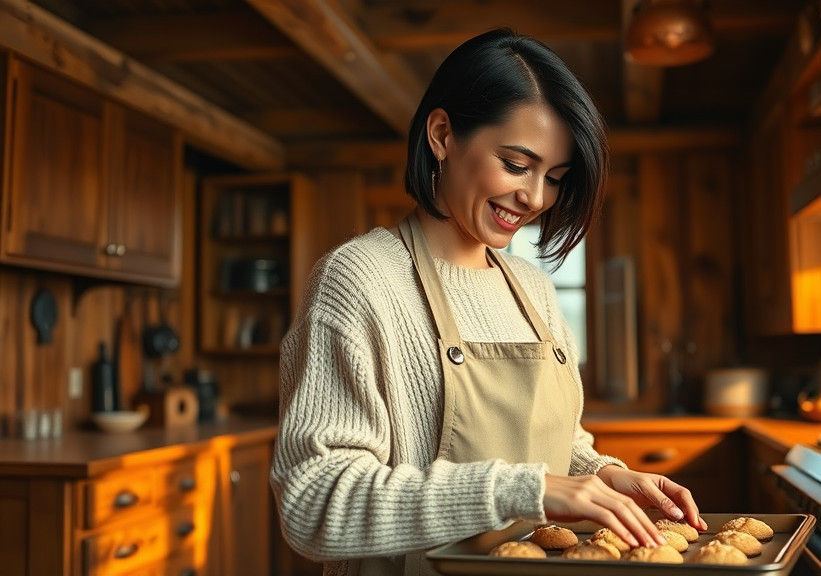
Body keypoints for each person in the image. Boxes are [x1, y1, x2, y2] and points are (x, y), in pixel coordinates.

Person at [270, 29, 706, 576]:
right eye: (517, 164)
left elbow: (556, 446)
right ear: (442, 134)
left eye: (555, 178)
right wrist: (518, 489)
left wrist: (603, 474)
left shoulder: (534, 289)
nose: (536, 197)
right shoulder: (361, 281)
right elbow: (311, 504)